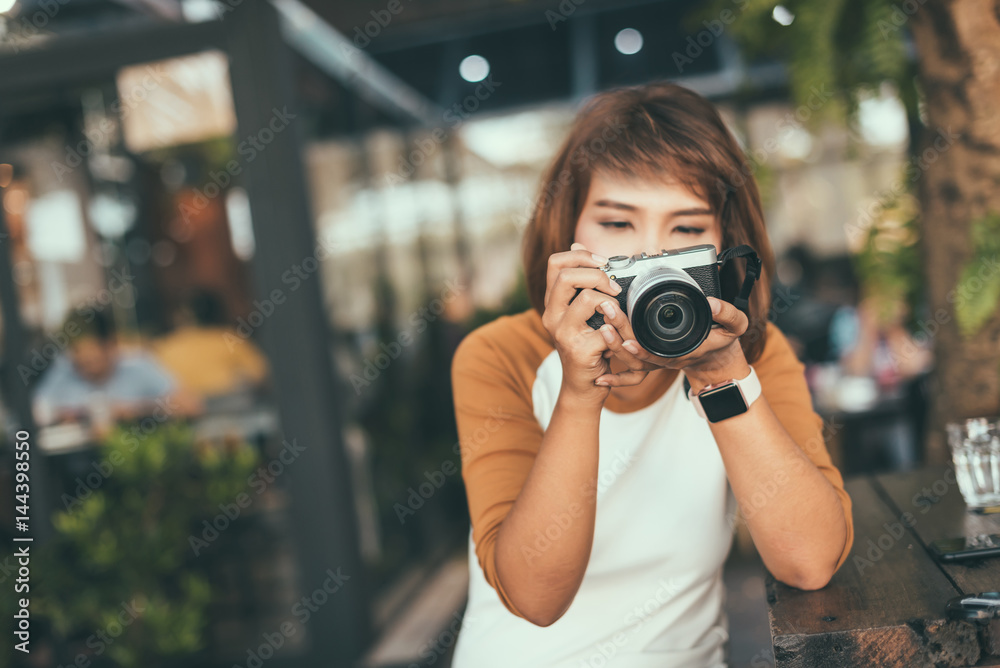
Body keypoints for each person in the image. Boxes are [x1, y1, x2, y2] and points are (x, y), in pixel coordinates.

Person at [449, 82, 854, 667]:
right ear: (570, 231)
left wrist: (720, 373)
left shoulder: (751, 351)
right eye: (618, 223)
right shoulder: (500, 355)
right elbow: (535, 597)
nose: (654, 258)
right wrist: (580, 395)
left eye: (687, 230)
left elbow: (810, 560)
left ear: (723, 246)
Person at [32, 306, 202, 438]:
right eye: (78, 359)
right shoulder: (63, 372)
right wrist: (65, 416)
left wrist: (133, 411)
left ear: (111, 346)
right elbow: (35, 414)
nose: (85, 367)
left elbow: (191, 406)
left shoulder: (138, 366)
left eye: (92, 360)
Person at [151, 289, 270, 400]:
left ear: (182, 316)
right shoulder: (231, 337)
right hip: (233, 407)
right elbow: (259, 375)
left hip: (188, 411)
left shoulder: (167, 346)